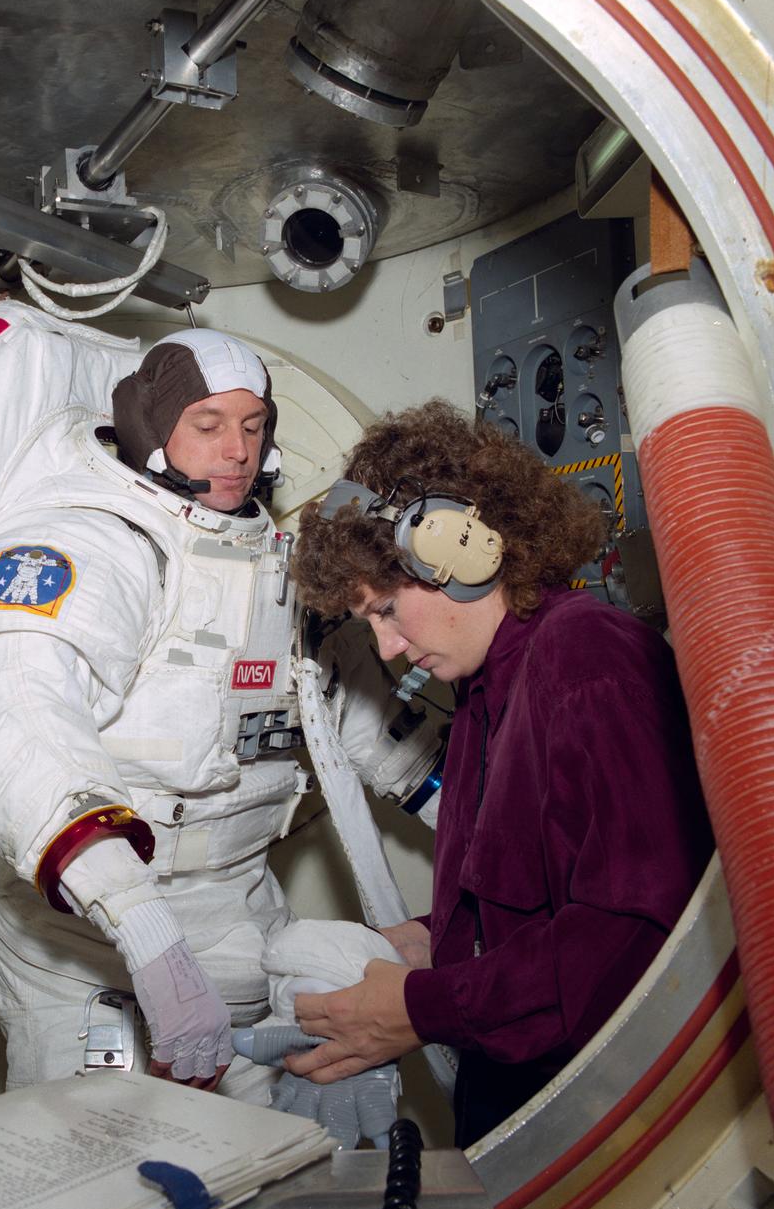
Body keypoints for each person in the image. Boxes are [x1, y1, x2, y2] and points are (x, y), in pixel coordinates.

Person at [0, 330, 442, 1100]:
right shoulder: (82, 544)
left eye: (252, 425)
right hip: (89, 940)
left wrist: (505, 829)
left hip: (238, 920)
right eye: (207, 425)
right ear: (152, 428)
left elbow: (365, 727)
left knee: (271, 1168)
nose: (235, 450)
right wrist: (143, 929)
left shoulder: (281, 562)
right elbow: (13, 720)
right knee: (97, 1180)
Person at [279, 399, 714, 1144]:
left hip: (600, 1115)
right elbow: (529, 909)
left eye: (386, 609)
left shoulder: (587, 663)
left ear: (462, 548)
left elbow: (630, 946)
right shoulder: (486, 690)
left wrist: (421, 1010)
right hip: (520, 1107)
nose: (385, 649)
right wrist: (426, 945)